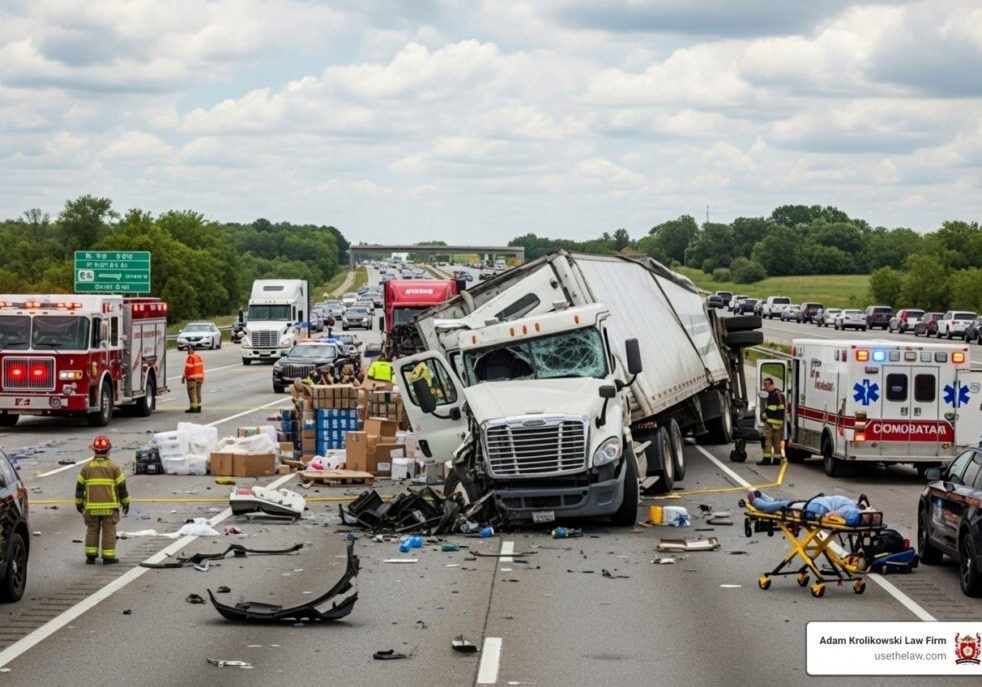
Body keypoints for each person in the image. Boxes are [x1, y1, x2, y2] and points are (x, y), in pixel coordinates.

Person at [75, 435, 130, 565]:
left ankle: (91, 556)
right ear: (108, 450)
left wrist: (78, 503)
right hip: (109, 508)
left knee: (92, 529)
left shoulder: (86, 468)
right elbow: (122, 487)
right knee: (109, 531)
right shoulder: (114, 467)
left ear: (94, 450)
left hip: (91, 507)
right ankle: (108, 557)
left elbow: (79, 487)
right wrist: (125, 501)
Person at [758, 377, 786, 466]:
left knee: (768, 441)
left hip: (771, 422)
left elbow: (779, 408)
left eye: (767, 384)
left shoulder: (775, 394)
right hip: (778, 422)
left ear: (772, 384)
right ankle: (777, 460)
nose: (765, 386)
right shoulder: (774, 394)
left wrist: (767, 414)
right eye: (764, 384)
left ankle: (767, 459)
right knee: (777, 442)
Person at [182, 345, 205, 413]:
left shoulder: (190, 358)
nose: (187, 351)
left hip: (192, 379)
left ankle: (193, 408)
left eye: (189, 349)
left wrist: (185, 376)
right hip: (199, 378)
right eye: (187, 349)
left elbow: (188, 369)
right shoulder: (198, 357)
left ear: (192, 349)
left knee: (192, 394)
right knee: (198, 393)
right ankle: (198, 408)